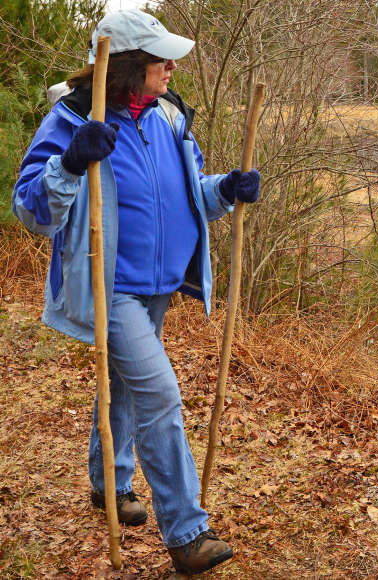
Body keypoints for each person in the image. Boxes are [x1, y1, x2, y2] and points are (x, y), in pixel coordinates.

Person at [11, 9, 259, 575]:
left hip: (159, 286)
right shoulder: (74, 116)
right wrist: (72, 162)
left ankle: (110, 485)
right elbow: (30, 209)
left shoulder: (168, 116)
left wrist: (225, 189)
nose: (172, 66)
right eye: (160, 58)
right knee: (160, 397)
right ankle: (188, 532)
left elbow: (185, 191)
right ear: (129, 65)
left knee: (125, 387)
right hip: (110, 287)